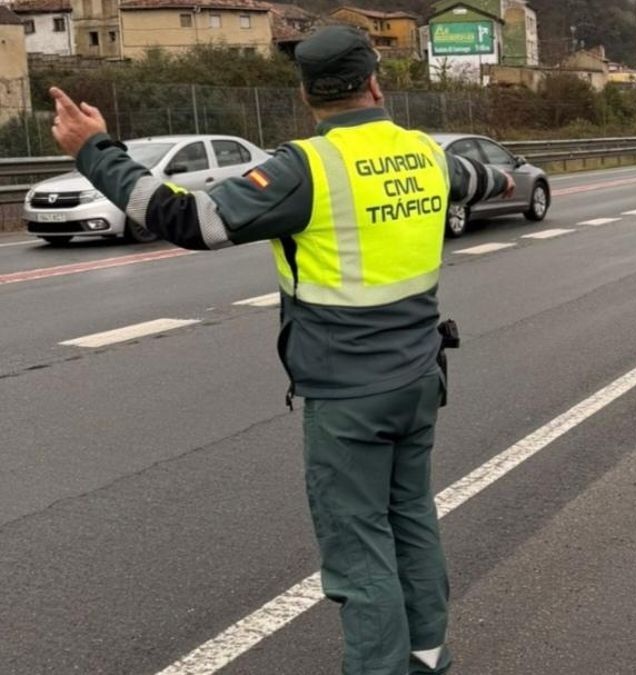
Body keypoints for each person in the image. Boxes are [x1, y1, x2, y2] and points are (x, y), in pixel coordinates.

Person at [48, 25, 514, 675]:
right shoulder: (424, 156)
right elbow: (485, 178)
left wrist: (95, 150)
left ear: (306, 95)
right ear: (376, 83)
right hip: (419, 380)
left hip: (348, 395)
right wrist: (494, 174)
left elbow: (191, 219)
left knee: (358, 549)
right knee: (410, 519)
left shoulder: (305, 166)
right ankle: (429, 657)